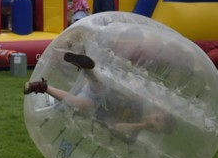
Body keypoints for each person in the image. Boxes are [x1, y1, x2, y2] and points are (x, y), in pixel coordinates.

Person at [23, 52, 175, 142]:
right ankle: (88, 68)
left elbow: (116, 128)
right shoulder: (140, 104)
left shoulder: (133, 134)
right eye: (156, 118)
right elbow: (124, 90)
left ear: (154, 132)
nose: (151, 122)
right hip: (102, 93)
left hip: (94, 110)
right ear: (156, 111)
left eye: (154, 126)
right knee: (100, 85)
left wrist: (142, 126)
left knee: (85, 104)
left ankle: (42, 87)